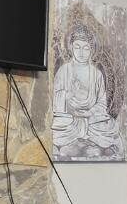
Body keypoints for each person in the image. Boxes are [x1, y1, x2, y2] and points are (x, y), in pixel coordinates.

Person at [52, 24, 123, 158]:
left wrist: (89, 112)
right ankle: (86, 145)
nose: (81, 52)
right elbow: (55, 100)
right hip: (69, 122)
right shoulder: (64, 71)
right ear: (71, 48)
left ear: (92, 50)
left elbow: (102, 104)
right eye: (77, 47)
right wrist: (69, 94)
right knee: (57, 126)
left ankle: (78, 145)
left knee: (110, 125)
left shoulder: (96, 74)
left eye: (86, 48)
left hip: (92, 121)